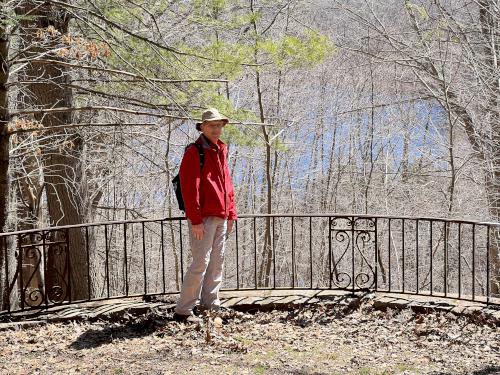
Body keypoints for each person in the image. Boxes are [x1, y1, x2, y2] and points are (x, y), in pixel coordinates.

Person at [173, 108, 237, 323]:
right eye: (212, 125)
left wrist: (231, 214)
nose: (216, 129)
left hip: (221, 216)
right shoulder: (195, 151)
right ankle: (183, 311)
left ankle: (211, 305)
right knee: (200, 262)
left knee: (217, 262)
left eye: (219, 125)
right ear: (202, 127)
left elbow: (227, 185)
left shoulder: (221, 150)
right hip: (204, 218)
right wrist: (196, 220)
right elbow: (190, 188)